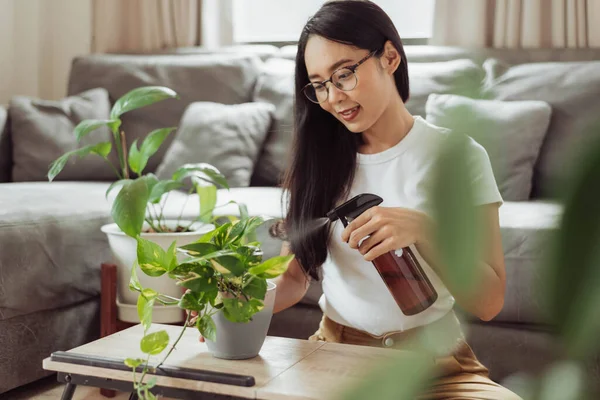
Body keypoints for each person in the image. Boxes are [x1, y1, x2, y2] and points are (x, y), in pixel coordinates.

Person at [201, 1, 521, 398]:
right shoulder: (317, 165)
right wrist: (226, 301)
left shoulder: (458, 157)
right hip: (334, 357)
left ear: (390, 57)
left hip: (438, 368)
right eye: (319, 84)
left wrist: (427, 231)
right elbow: (293, 280)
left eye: (344, 74)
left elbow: (489, 302)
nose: (334, 97)